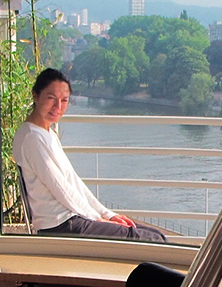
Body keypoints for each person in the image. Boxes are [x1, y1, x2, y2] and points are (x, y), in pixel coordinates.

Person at [12, 68, 167, 242]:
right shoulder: (32, 137)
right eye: (51, 98)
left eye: (64, 100)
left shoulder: (47, 134)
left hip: (73, 218)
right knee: (151, 239)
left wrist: (107, 214)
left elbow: (73, 182)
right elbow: (59, 188)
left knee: (156, 235)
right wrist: (96, 218)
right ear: (35, 96)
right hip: (61, 225)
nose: (58, 107)